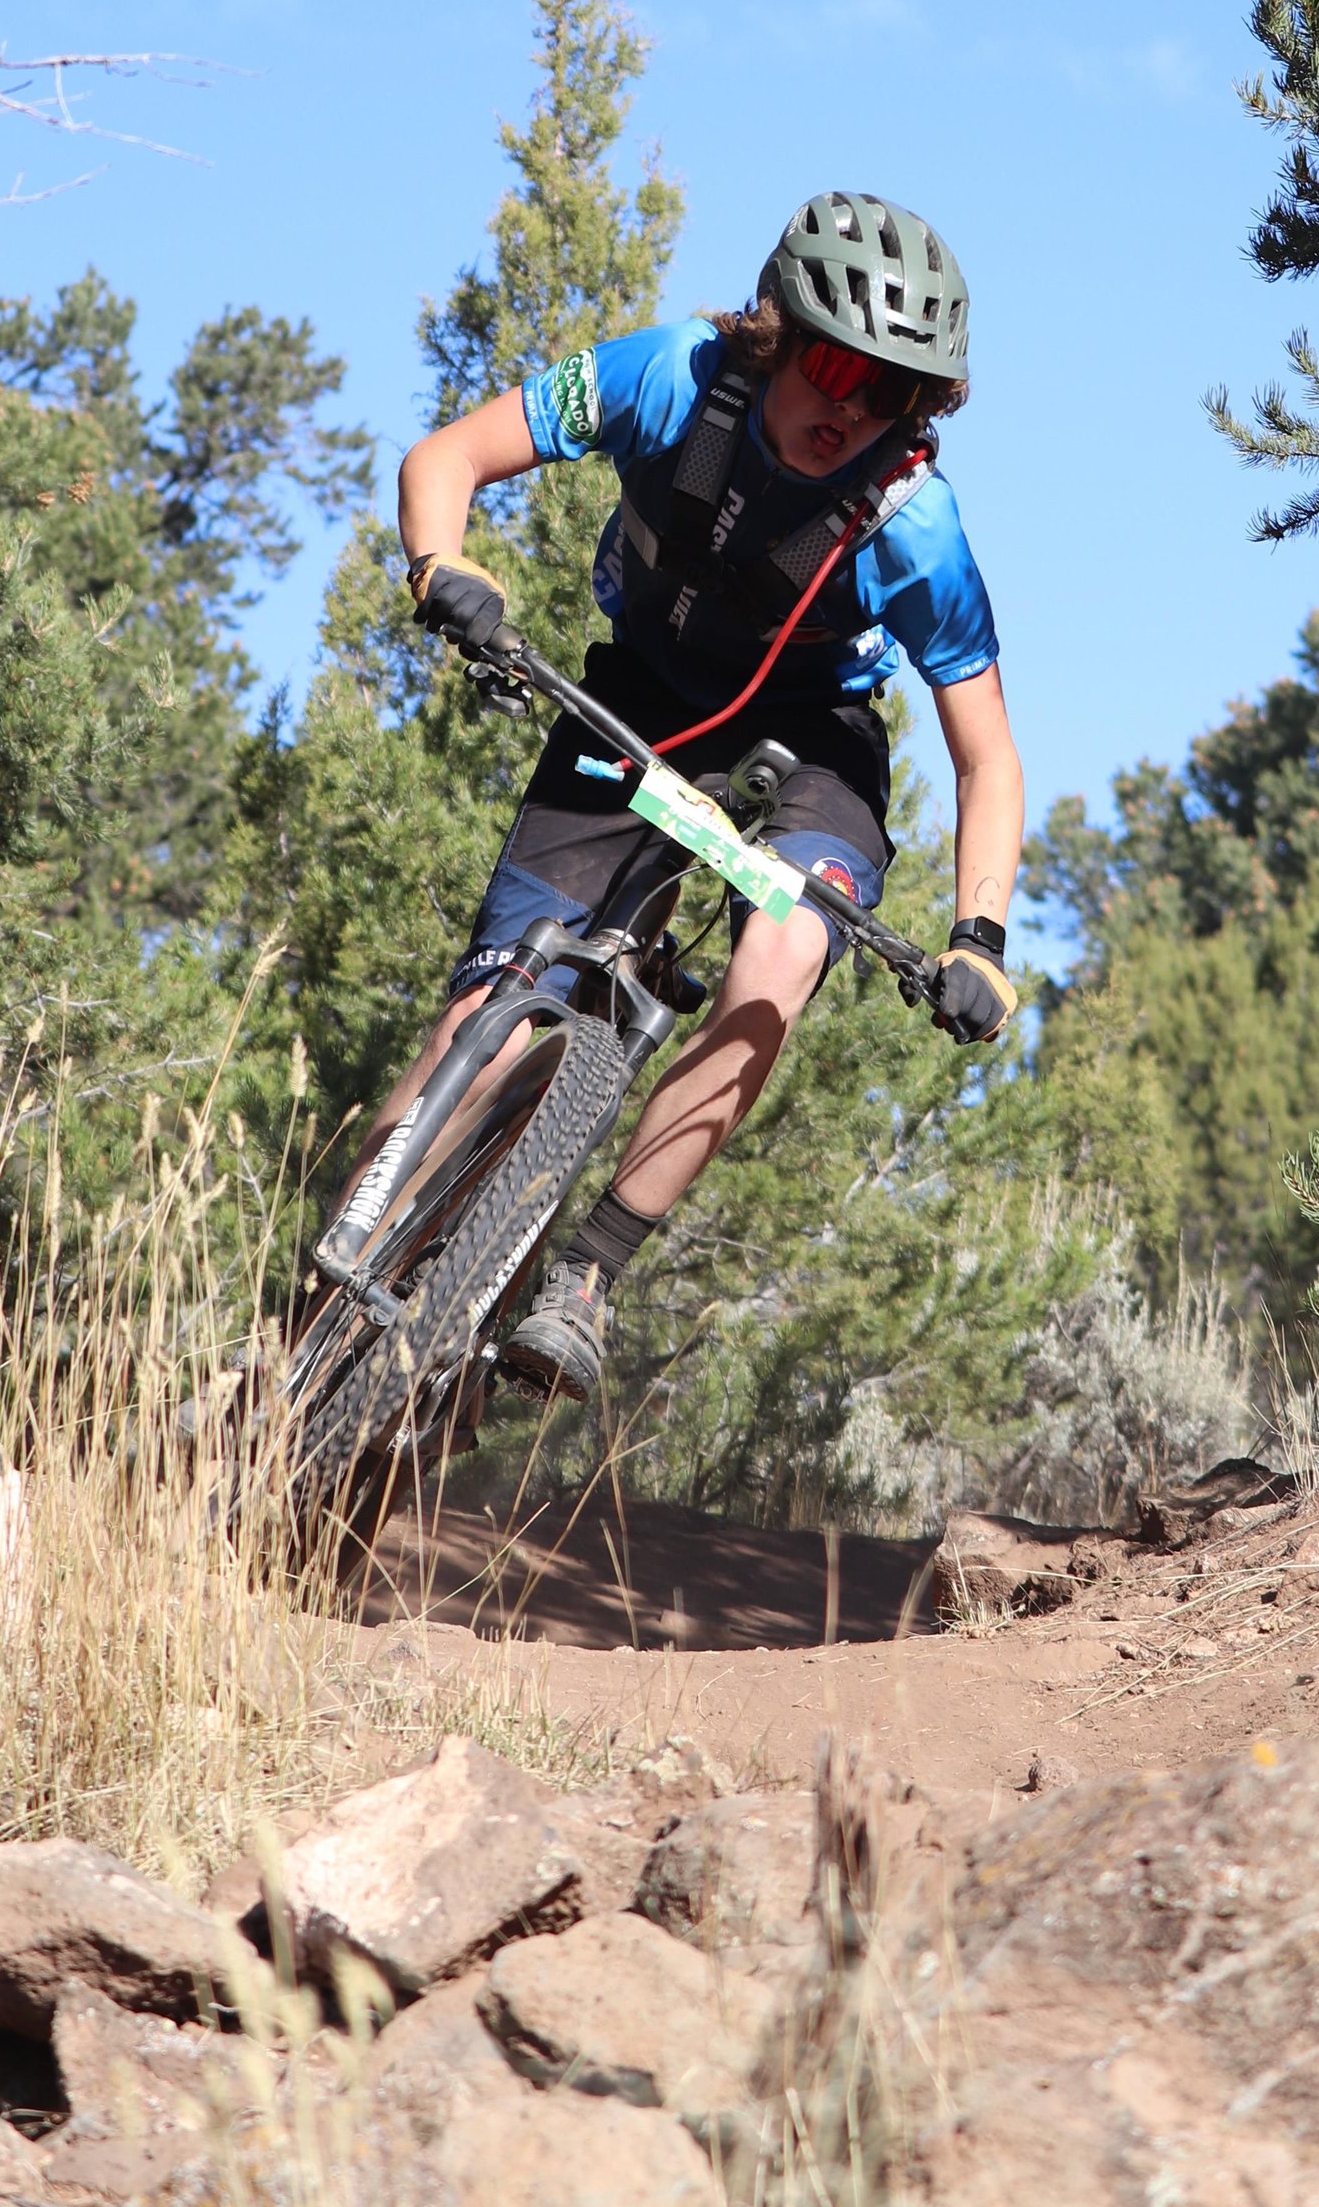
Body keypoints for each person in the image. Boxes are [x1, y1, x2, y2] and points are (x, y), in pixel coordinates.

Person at [370, 189, 1024, 1400]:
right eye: (837, 365)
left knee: (784, 948)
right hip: (641, 700)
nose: (851, 408)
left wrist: (977, 937)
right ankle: (329, 1298)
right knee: (478, 1029)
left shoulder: (912, 524)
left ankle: (586, 1276)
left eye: (891, 391)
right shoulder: (670, 377)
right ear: (777, 333)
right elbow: (444, 458)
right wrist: (440, 562)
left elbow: (986, 756)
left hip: (809, 749)